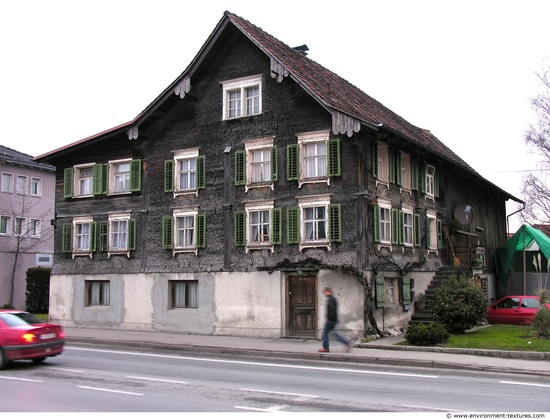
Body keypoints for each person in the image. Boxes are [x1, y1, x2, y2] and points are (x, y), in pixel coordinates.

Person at [319, 287, 353, 353]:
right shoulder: (332, 299)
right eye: (325, 292)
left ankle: (326, 348)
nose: (325, 293)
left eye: (326, 292)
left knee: (325, 333)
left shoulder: (331, 299)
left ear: (329, 292)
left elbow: (332, 310)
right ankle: (346, 342)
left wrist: (330, 319)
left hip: (331, 320)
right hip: (333, 319)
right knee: (335, 334)